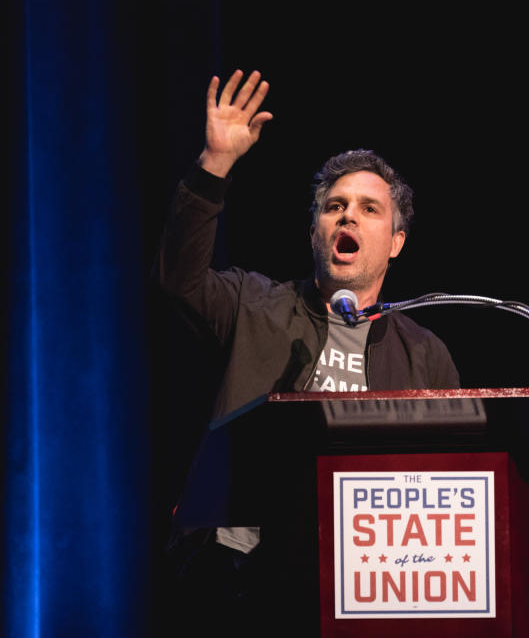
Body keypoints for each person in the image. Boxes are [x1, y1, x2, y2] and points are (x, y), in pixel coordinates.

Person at [156, 69, 460, 635]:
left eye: (370, 209)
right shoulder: (254, 304)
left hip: (367, 583)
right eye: (335, 206)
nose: (348, 215)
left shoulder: (425, 355)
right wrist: (216, 164)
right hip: (240, 575)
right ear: (316, 232)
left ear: (396, 242)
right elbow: (178, 280)